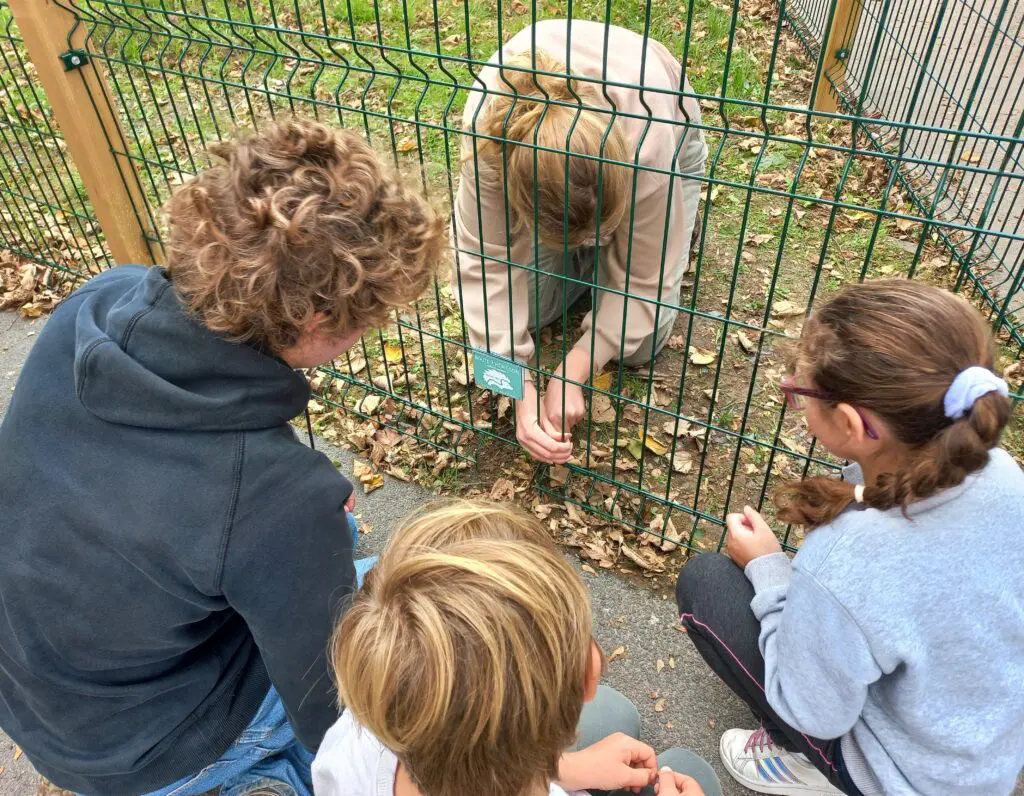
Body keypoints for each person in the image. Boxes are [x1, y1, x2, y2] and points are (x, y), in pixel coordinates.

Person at [0, 119, 443, 795]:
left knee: (331, 545)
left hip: (36, 696)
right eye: (368, 318)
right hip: (150, 748)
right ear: (316, 323)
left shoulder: (96, 304)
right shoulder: (278, 497)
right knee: (408, 630)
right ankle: (255, 778)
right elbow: (331, 712)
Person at [674, 280, 1024, 796]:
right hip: (985, 758)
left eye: (800, 392)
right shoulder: (1003, 473)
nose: (793, 393)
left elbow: (814, 712)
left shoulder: (846, 555)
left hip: (900, 780)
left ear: (849, 423)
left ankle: (809, 766)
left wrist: (769, 571)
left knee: (707, 583)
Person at [312, 499, 723, 796]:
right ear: (588, 674)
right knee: (691, 770)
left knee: (617, 714)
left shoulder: (358, 740)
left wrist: (565, 769)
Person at [453, 20, 707, 464]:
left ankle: (666, 226)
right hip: (540, 156)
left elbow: (645, 281)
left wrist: (575, 369)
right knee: (533, 310)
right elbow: (482, 260)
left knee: (641, 346)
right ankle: (604, 255)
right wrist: (517, 388)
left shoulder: (647, 141)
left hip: (663, 126)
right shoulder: (486, 138)